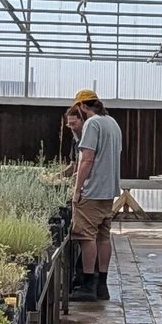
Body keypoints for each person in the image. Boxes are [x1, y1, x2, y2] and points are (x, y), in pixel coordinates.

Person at [68, 90, 122, 300]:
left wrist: (77, 189)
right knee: (103, 236)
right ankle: (102, 285)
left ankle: (88, 285)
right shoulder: (112, 123)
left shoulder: (92, 124)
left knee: (86, 236)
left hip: (93, 189)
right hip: (109, 189)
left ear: (83, 106)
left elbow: (87, 159)